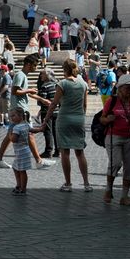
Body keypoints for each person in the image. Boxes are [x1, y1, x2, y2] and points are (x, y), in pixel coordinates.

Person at [41, 59, 91, 192]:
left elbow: (54, 104)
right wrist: (81, 116)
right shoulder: (83, 83)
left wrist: (45, 119)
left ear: (64, 69)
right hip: (79, 118)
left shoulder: (62, 84)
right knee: (80, 152)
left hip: (64, 119)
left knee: (65, 152)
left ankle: (68, 183)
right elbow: (85, 104)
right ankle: (86, 183)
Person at [99, 74, 130, 206]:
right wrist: (108, 120)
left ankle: (124, 196)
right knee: (115, 163)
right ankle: (108, 189)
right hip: (113, 136)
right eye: (127, 88)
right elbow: (102, 119)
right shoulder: (111, 101)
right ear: (120, 88)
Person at [1, 108, 45, 195]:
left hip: (21, 152)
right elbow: (32, 130)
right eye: (10, 116)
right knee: (16, 167)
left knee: (22, 171)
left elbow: (13, 139)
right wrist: (40, 129)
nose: (11, 118)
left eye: (13, 116)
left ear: (20, 116)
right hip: (24, 151)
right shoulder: (26, 124)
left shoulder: (16, 127)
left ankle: (23, 188)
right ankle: (19, 185)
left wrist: (9, 134)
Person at [33, 69, 58, 157]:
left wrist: (38, 96)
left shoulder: (45, 86)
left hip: (46, 111)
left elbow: (41, 101)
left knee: (47, 131)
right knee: (55, 131)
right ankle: (58, 151)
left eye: (42, 74)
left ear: (47, 76)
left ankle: (48, 151)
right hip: (57, 111)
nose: (40, 76)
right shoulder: (57, 85)